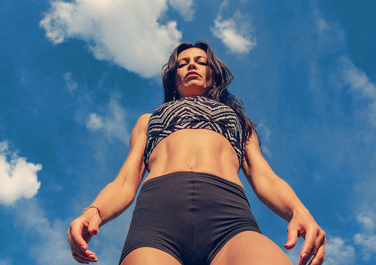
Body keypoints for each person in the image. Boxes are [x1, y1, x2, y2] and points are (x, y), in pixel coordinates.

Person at [67, 41, 326, 265]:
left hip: (228, 218)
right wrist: (95, 211)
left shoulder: (238, 120)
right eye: (183, 63)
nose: (191, 65)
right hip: (156, 222)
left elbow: (264, 176)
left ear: (212, 74)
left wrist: (298, 211)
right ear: (174, 77)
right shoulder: (148, 120)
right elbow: (125, 181)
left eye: (200, 62)